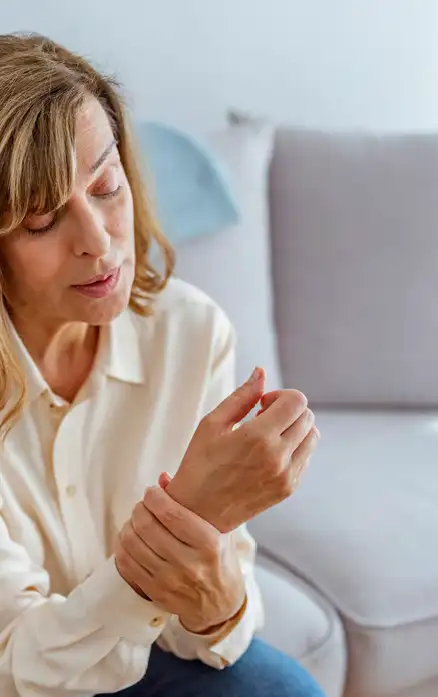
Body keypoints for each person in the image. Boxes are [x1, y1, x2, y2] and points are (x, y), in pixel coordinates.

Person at [0, 33, 325, 697]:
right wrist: (190, 511)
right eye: (41, 221)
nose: (97, 242)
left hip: (127, 656)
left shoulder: (190, 331)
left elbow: (214, 632)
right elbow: (17, 664)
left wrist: (215, 587)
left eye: (106, 186)